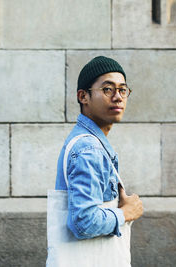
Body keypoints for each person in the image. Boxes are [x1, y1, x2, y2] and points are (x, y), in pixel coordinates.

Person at [47, 56, 143, 266]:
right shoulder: (88, 149)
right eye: (108, 89)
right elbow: (83, 221)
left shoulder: (90, 143)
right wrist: (125, 213)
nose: (118, 97)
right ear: (83, 96)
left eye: (123, 90)